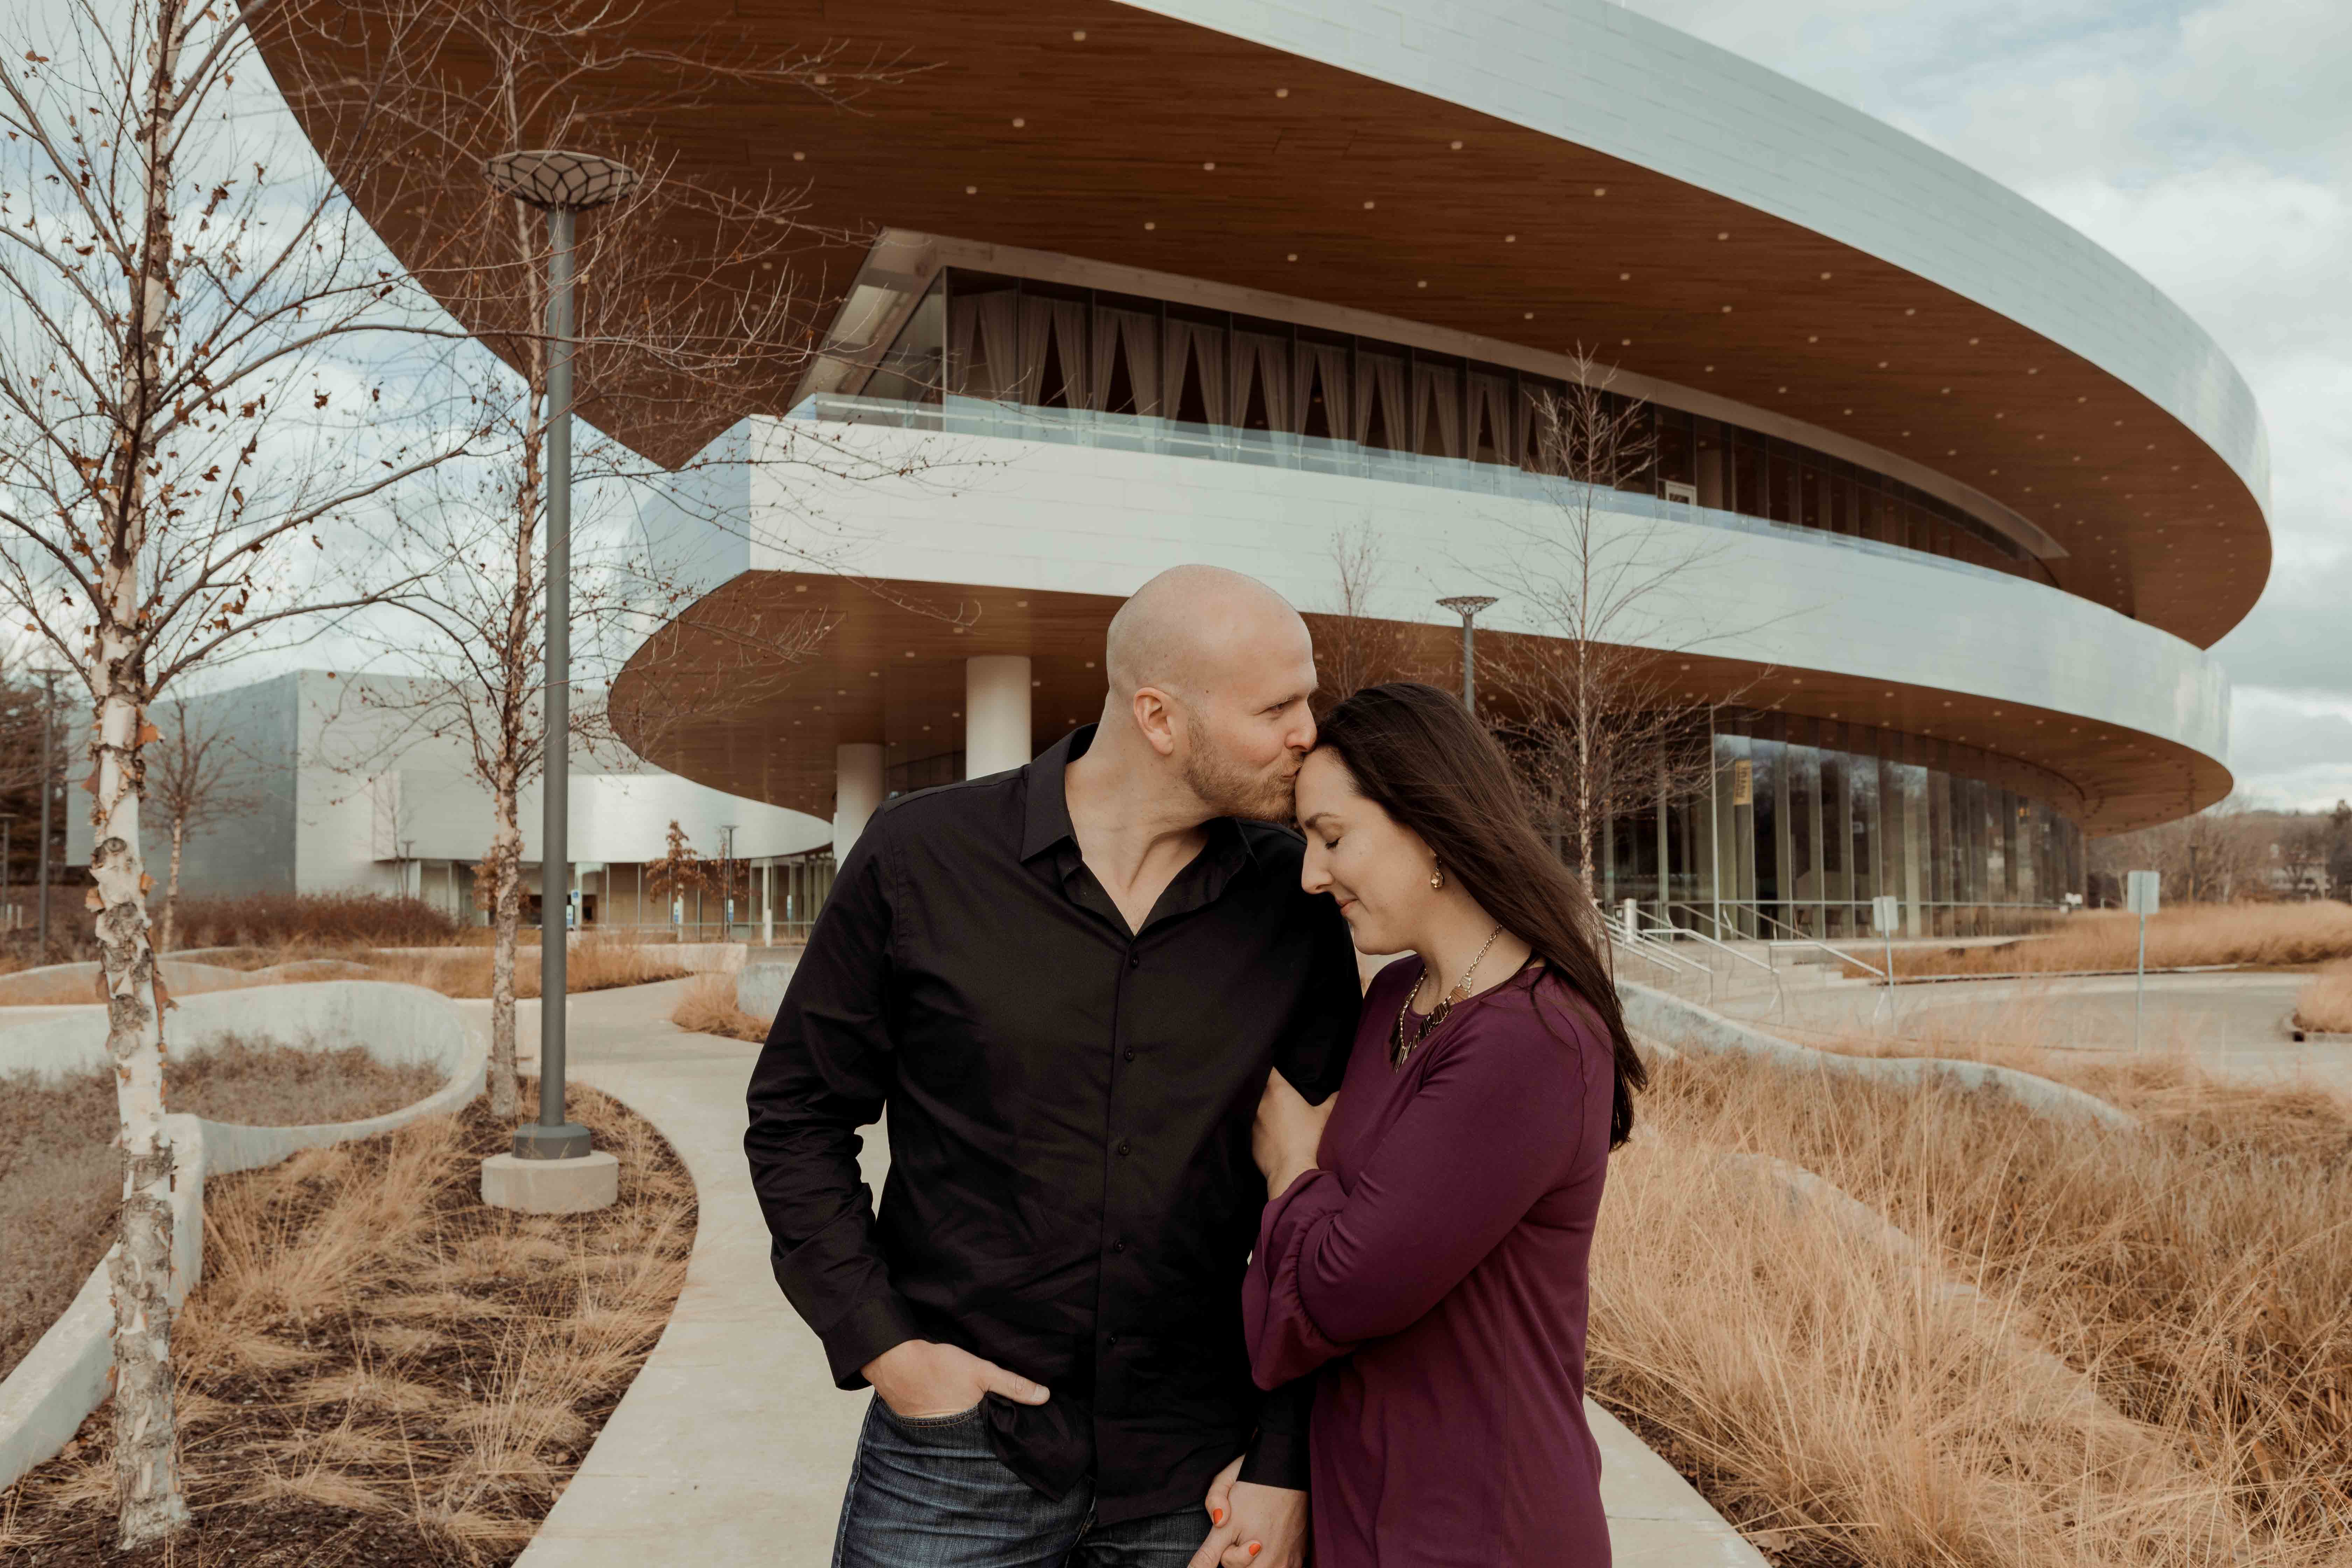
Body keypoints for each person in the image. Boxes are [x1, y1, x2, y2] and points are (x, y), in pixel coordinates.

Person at [745, 565, 1364, 1568]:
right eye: (1280, 706)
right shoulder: (919, 857)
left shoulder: (1296, 905)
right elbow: (796, 1116)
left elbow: (1330, 1195)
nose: (1310, 730)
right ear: (1160, 718)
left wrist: (1284, 1461)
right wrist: (887, 1350)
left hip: (1200, 1478)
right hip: (957, 1456)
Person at [1237, 681, 1648, 1567]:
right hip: (1368, 1495)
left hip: (1479, 1522)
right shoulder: (1396, 996)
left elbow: (1343, 1286)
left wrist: (1290, 1167)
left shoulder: (1532, 1038)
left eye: (1333, 838)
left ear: (1428, 825)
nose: (1311, 876)